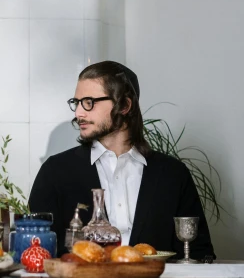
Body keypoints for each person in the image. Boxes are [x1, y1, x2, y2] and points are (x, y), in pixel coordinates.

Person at [28, 61, 215, 260]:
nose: (78, 113)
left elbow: (199, 255)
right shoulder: (55, 171)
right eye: (77, 102)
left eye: (89, 102)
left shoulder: (173, 174)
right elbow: (35, 250)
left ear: (125, 105)